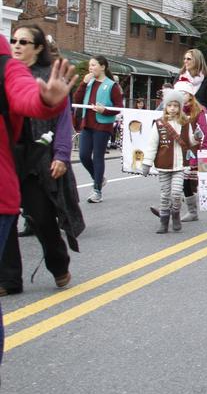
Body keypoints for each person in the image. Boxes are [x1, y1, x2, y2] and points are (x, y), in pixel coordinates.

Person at [0, 33, 76, 363]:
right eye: (14, 39)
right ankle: (10, 279)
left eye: (24, 41)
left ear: (37, 47)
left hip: (34, 158)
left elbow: (30, 100)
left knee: (43, 217)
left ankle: (58, 265)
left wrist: (48, 100)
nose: (17, 45)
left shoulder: (11, 69)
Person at [148, 81, 207, 222]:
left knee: (185, 183)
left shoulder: (198, 112)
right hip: (175, 153)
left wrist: (204, 153)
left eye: (184, 93)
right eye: (179, 93)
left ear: (191, 96)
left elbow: (204, 132)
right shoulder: (174, 111)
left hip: (192, 152)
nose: (181, 96)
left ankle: (186, 211)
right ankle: (169, 209)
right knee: (176, 181)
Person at [140, 89, 200, 233]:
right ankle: (164, 221)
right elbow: (152, 145)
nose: (172, 108)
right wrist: (147, 163)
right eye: (169, 105)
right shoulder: (159, 124)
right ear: (165, 107)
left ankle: (176, 216)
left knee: (176, 193)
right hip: (163, 165)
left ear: (180, 107)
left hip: (180, 166)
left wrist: (197, 136)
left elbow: (191, 142)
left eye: (175, 105)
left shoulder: (185, 123)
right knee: (165, 194)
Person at [73, 55, 125, 203]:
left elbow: (119, 107)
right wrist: (83, 83)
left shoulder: (111, 85)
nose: (91, 68)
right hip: (87, 124)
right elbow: (77, 99)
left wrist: (105, 110)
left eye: (94, 65)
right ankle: (99, 178)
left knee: (98, 156)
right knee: (83, 155)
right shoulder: (88, 83)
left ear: (103, 67)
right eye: (90, 65)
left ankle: (97, 190)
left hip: (103, 125)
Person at [177, 49, 207, 115]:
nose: (185, 61)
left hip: (200, 118)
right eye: (184, 59)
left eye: (189, 59)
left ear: (197, 61)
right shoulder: (179, 77)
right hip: (181, 117)